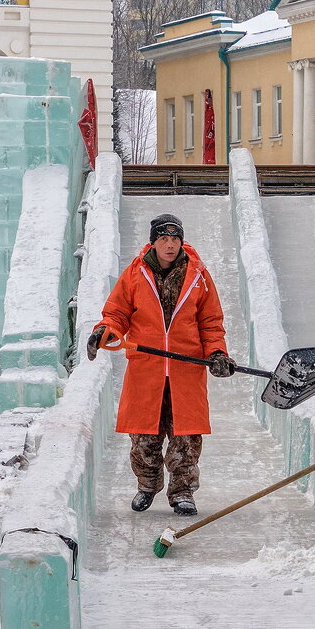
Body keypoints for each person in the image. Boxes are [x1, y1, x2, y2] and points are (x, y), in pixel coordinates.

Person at [86, 213, 236, 516]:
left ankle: (182, 492)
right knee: (144, 437)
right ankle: (147, 485)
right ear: (153, 242)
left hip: (186, 369)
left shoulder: (199, 276)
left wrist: (217, 353)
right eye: (164, 239)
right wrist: (105, 331)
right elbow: (117, 313)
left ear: (182, 241)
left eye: (175, 238)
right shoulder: (135, 274)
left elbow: (210, 322)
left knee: (185, 438)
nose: (170, 245)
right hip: (147, 368)